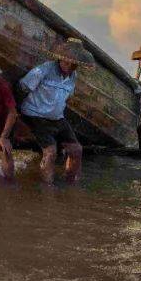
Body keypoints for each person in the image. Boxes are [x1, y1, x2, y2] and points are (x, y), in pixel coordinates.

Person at [17, 38, 93, 184]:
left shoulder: (73, 76)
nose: (69, 66)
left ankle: (71, 184)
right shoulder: (43, 70)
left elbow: (67, 98)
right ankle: (47, 188)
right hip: (35, 115)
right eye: (66, 62)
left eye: (73, 64)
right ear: (60, 59)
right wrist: (18, 114)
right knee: (51, 152)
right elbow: (22, 87)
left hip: (57, 117)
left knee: (77, 149)